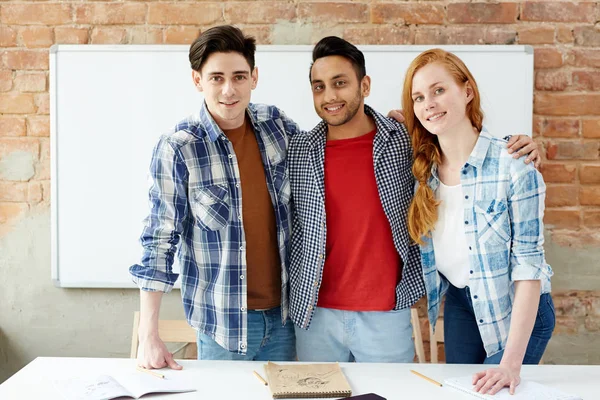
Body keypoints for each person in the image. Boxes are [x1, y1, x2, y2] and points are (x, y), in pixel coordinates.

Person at [129, 25, 300, 367]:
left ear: (254, 77)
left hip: (285, 319)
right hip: (222, 326)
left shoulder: (276, 125)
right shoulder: (179, 147)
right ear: (197, 80)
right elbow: (159, 239)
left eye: (239, 77)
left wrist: (382, 124)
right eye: (216, 78)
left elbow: (325, 159)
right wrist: (149, 334)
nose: (228, 90)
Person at [403, 48, 554, 395]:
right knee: (461, 392)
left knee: (494, 390)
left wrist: (510, 363)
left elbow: (530, 269)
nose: (429, 103)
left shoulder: (514, 164)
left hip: (518, 310)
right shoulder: (423, 173)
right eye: (419, 97)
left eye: (439, 90)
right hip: (461, 303)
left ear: (467, 91)